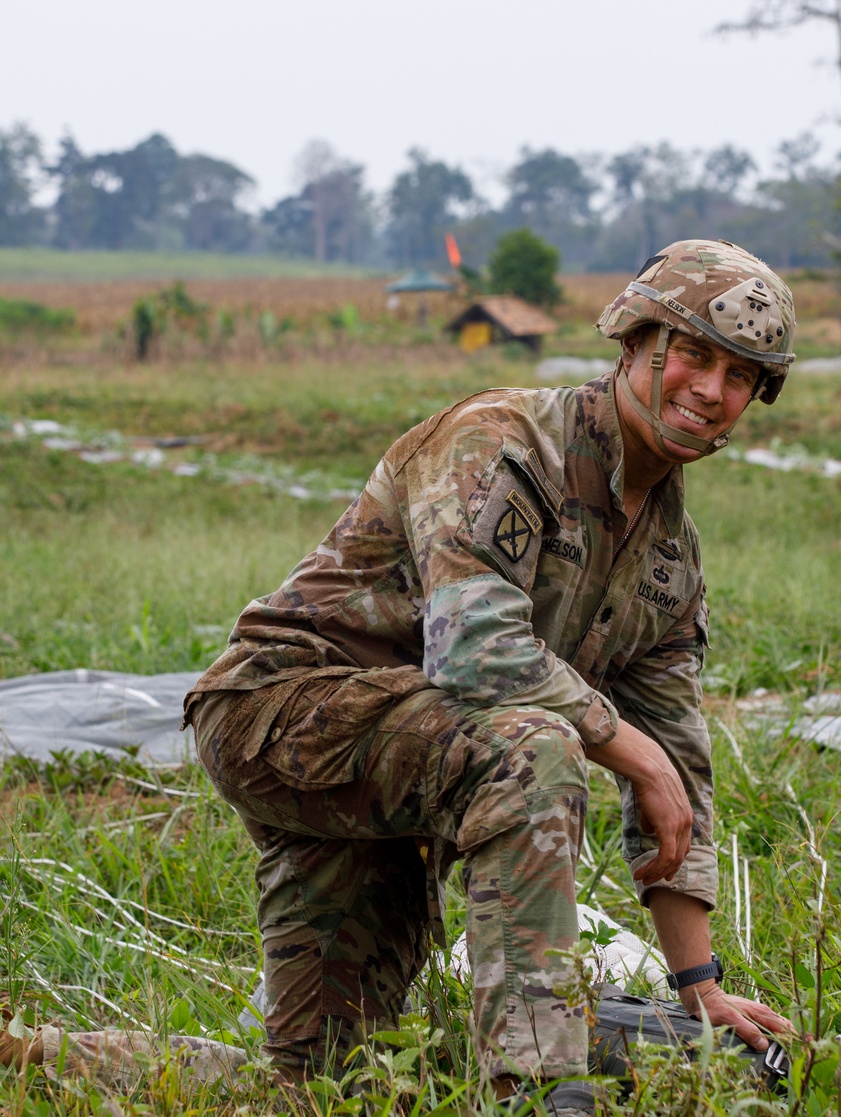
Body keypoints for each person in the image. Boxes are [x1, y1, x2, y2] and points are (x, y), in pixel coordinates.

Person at [182, 238, 797, 1102]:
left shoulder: (668, 558)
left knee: (316, 1084)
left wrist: (700, 988)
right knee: (535, 747)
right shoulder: (502, 440)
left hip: (407, 762)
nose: (710, 390)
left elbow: (678, 777)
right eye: (692, 354)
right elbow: (476, 652)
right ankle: (544, 1090)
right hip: (283, 711)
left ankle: (34, 1051)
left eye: (739, 377)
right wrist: (631, 750)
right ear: (634, 345)